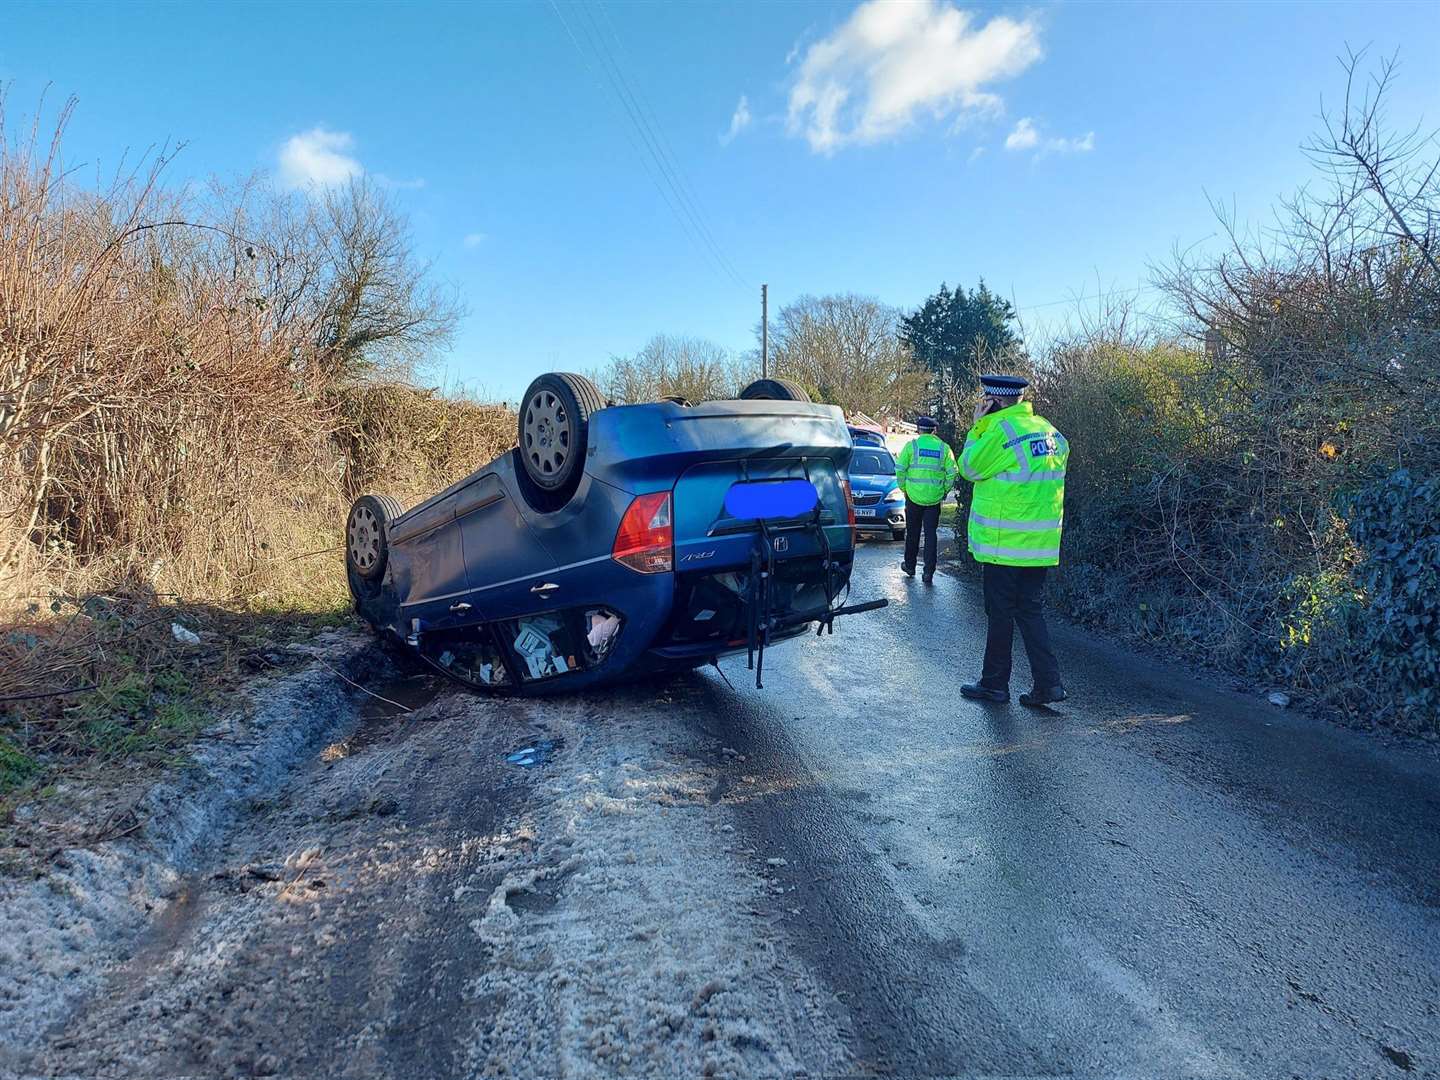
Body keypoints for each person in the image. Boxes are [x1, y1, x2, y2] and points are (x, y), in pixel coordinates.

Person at [956, 375, 1070, 707]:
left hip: (1005, 544)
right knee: (1030, 611)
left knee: (1000, 613)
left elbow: (968, 467)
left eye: (984, 401)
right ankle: (1049, 685)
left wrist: (977, 427)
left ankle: (994, 685)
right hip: (1040, 544)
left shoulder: (999, 432)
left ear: (993, 401)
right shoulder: (1050, 431)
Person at [894, 415, 958, 585]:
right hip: (933, 499)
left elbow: (900, 469)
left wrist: (905, 489)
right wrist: (944, 490)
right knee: (931, 535)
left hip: (913, 497)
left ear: (918, 430)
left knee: (912, 533)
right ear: (934, 430)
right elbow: (952, 472)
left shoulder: (911, 446)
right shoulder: (944, 449)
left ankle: (910, 566)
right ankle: (929, 572)